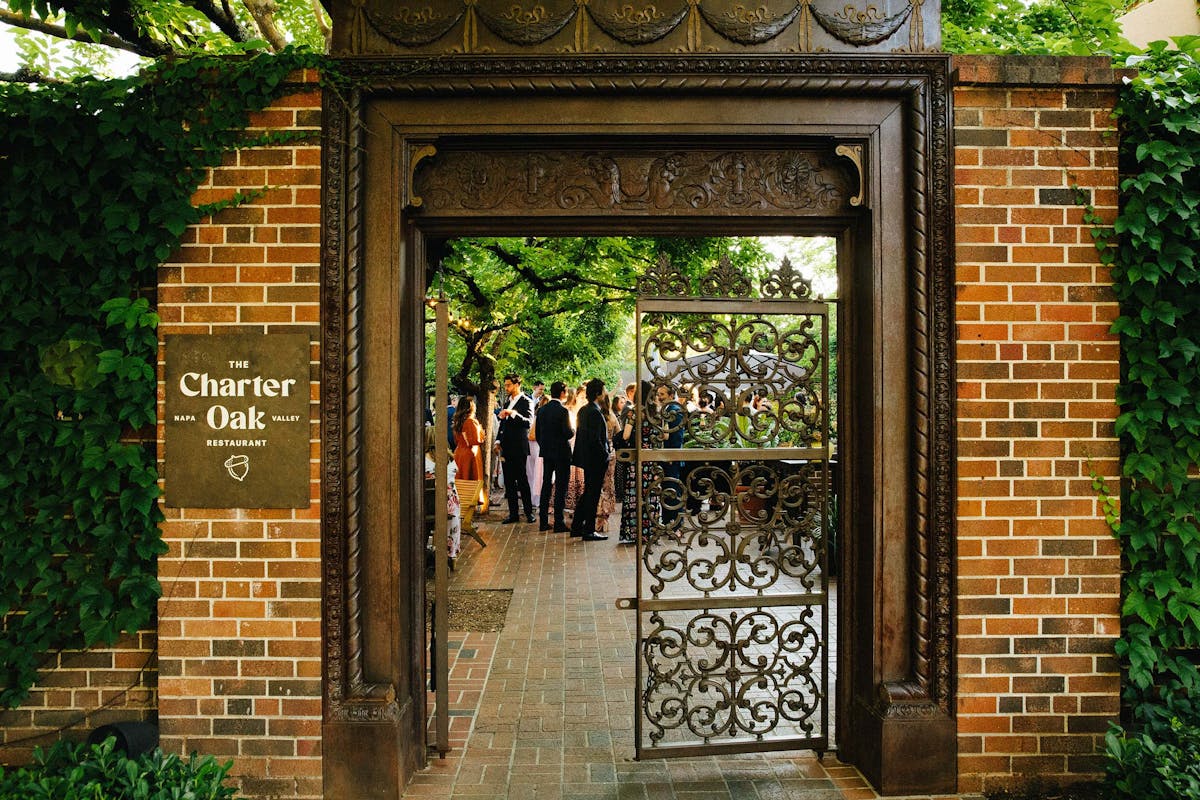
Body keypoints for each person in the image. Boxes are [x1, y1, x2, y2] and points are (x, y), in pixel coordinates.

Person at [570, 378, 611, 541]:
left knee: (588, 492)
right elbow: (595, 439)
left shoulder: (584, 410)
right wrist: (605, 454)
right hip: (595, 459)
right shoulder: (593, 412)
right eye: (604, 390)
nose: (606, 393)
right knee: (592, 494)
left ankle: (577, 526)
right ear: (598, 393)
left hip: (587, 458)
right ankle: (588, 530)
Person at [497, 373, 536, 523]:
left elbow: (528, 422)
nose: (506, 388)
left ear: (517, 384)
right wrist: (498, 441)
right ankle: (513, 513)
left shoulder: (527, 401)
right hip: (506, 446)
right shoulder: (507, 402)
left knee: (522, 480)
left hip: (519, 446)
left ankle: (528, 512)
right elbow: (502, 424)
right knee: (508, 481)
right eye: (505, 385)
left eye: (508, 385)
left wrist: (513, 413)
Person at [536, 381, 573, 532]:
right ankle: (558, 521)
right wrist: (573, 431)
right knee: (561, 486)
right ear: (562, 393)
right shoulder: (563, 411)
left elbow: (538, 433)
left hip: (547, 452)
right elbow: (567, 433)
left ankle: (543, 521)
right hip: (562, 453)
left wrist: (544, 445)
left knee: (546, 485)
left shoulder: (542, 410)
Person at [424, 425, 462, 568]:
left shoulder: (422, 460)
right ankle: (451, 554)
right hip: (448, 507)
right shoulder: (449, 459)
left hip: (427, 506)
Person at [451, 396, 488, 512]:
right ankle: (467, 511)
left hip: (459, 453)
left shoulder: (458, 421)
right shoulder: (470, 421)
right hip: (470, 454)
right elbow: (475, 440)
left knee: (462, 481)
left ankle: (462, 509)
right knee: (471, 482)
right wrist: (482, 434)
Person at [593, 390, 620, 535]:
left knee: (597, 485)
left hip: (598, 453)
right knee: (608, 485)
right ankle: (604, 519)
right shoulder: (612, 417)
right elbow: (619, 433)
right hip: (610, 451)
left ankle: (596, 517)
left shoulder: (595, 415)